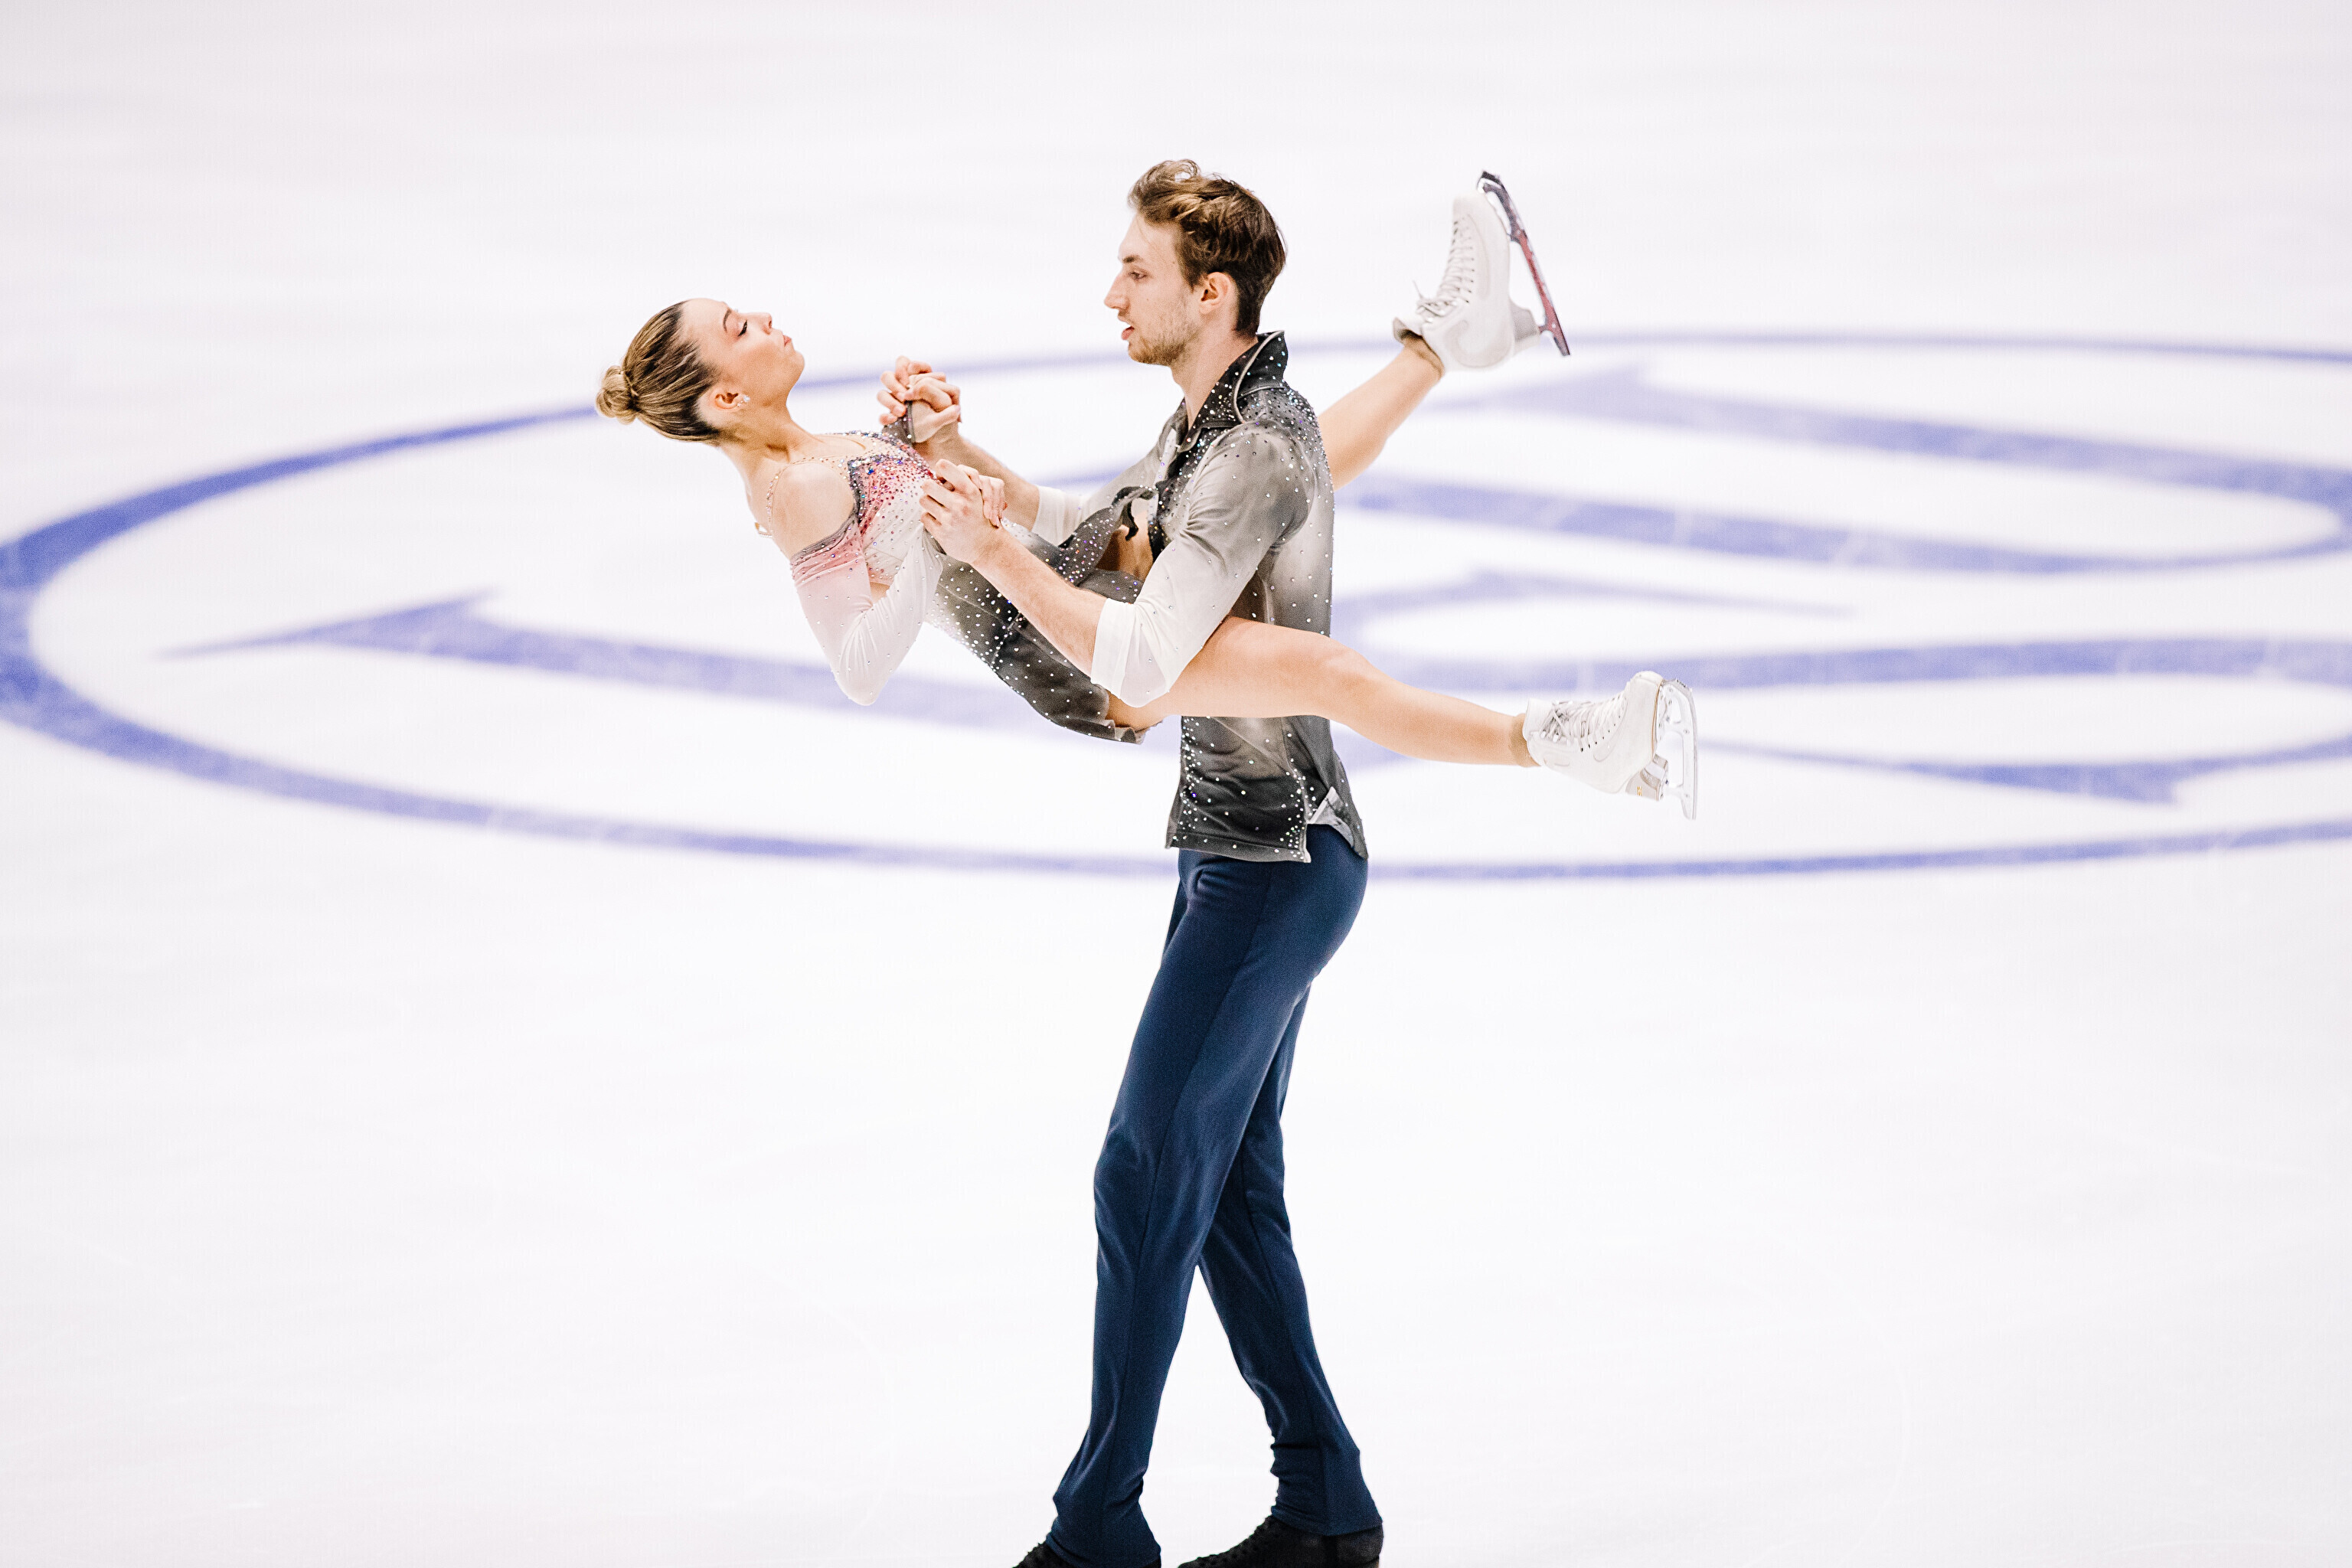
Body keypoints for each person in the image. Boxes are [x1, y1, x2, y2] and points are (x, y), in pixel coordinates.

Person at [593, 172, 1698, 805]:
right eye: (738, 328)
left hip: (1062, 578)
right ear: (725, 397)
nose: (762, 320)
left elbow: (981, 522)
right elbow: (861, 669)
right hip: (1067, 649)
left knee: (1268, 460)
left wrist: (947, 447)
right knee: (1328, 674)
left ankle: (1446, 344)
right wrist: (948, 545)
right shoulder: (788, 491)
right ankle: (1569, 742)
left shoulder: (821, 451)